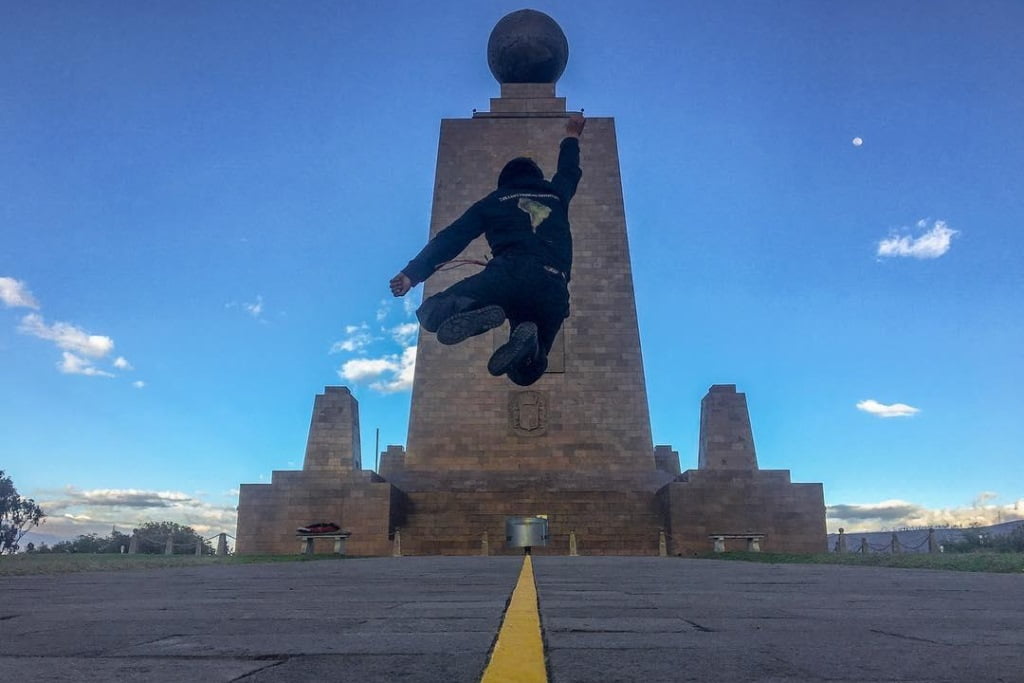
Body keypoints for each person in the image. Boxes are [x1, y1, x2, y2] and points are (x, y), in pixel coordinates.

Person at [390, 114, 585, 386]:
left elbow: (452, 238)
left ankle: (472, 308)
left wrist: (412, 274)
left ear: (504, 182)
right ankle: (530, 345)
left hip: (507, 276)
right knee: (526, 372)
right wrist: (572, 135)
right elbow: (568, 171)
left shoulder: (493, 201)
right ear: (536, 178)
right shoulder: (556, 194)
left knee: (431, 313)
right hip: (553, 285)